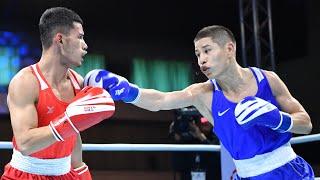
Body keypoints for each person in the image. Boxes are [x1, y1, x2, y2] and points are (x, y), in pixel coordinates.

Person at [85, 25, 315, 179]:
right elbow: (161, 100)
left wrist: (277, 119)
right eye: (197, 54)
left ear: (229, 49)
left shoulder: (267, 79)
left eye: (207, 50)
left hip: (290, 170)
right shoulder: (203, 93)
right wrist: (128, 91)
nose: (202, 60)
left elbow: (306, 124)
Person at [1, 7, 115, 180]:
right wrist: (67, 122)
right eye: (80, 37)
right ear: (60, 39)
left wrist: (81, 170)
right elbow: (25, 143)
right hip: (24, 175)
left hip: (65, 174)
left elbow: (73, 135)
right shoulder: (25, 82)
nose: (85, 46)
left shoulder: (78, 82)